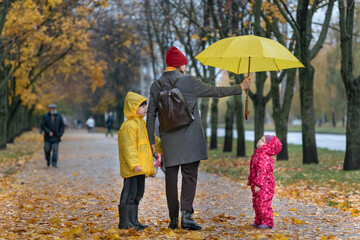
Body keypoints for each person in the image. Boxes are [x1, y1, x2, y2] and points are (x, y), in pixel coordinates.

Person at [146, 46, 251, 230]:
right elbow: (215, 91)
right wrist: (240, 87)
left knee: (171, 179)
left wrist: (151, 141)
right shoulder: (189, 82)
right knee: (190, 177)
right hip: (191, 140)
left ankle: (173, 219)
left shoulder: (156, 85)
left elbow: (151, 114)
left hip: (169, 141)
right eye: (184, 64)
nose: (185, 67)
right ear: (180, 65)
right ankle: (186, 217)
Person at [117, 92, 162, 230]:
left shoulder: (142, 124)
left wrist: (166, 147)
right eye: (142, 106)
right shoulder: (128, 126)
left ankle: (133, 220)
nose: (145, 108)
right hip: (133, 168)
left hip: (141, 168)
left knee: (138, 193)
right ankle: (124, 222)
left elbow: (152, 140)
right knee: (129, 193)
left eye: (145, 106)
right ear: (133, 107)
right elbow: (128, 147)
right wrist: (134, 164)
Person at [247, 135, 282, 229]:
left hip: (264, 185)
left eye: (262, 140)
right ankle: (258, 221)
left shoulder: (265, 158)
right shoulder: (256, 155)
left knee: (263, 203)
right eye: (260, 138)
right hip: (256, 184)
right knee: (256, 203)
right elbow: (253, 169)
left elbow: (262, 172)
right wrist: (250, 179)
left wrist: (258, 184)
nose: (259, 140)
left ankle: (268, 222)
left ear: (268, 146)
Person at [40, 104, 65, 168]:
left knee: (55, 149)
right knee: (46, 149)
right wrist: (48, 132)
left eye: (54, 108)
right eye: (52, 108)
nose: (53, 109)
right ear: (49, 109)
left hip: (56, 136)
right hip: (48, 137)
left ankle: (54, 163)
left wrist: (60, 134)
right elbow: (43, 125)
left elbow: (62, 126)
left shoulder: (59, 116)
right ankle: (48, 159)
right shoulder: (45, 116)